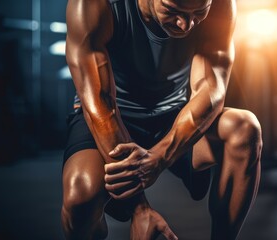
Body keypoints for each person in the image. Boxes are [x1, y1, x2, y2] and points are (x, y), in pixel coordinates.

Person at [61, 0, 263, 239]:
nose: (186, 24)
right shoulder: (95, 5)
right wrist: (140, 209)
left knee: (244, 128)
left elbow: (211, 89)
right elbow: (101, 103)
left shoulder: (220, 3)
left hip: (174, 114)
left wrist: (160, 157)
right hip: (110, 115)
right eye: (172, 10)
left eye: (199, 13)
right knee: (81, 194)